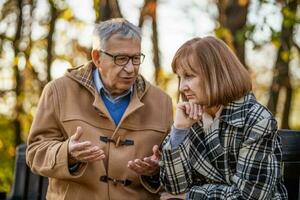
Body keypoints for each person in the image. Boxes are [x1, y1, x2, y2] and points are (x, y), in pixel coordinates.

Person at [26, 18, 173, 200]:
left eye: (136, 58)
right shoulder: (58, 91)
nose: (130, 69)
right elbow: (35, 153)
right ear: (97, 58)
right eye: (121, 59)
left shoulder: (162, 102)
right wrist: (68, 153)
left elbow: (173, 169)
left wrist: (156, 170)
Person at [159, 36, 288, 199]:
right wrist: (179, 131)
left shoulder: (256, 119)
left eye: (189, 76)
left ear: (216, 75)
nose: (181, 87)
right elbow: (175, 187)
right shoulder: (190, 119)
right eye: (179, 77)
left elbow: (251, 196)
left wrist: (190, 196)